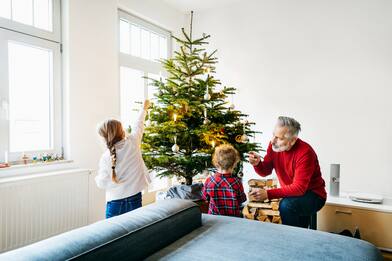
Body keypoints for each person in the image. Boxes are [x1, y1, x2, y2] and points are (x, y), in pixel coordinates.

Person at [248, 116, 326, 228]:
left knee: (286, 205)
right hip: (294, 194)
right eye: (273, 135)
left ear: (292, 141)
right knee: (298, 221)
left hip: (314, 195)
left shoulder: (305, 152)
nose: (273, 140)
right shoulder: (274, 146)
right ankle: (299, 239)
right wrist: (258, 164)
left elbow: (299, 188)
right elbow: (266, 171)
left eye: (279, 138)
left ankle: (290, 241)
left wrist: (267, 194)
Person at [96, 100, 151, 218]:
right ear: (122, 131)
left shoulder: (106, 157)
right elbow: (138, 125)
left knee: (113, 234)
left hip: (114, 202)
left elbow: (102, 183)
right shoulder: (133, 142)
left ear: (105, 137)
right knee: (134, 229)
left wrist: (98, 179)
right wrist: (143, 109)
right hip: (135, 198)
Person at [202, 144, 247, 217]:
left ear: (216, 162)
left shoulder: (209, 181)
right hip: (234, 219)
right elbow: (242, 199)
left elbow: (205, 198)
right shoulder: (237, 182)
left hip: (214, 218)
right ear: (234, 164)